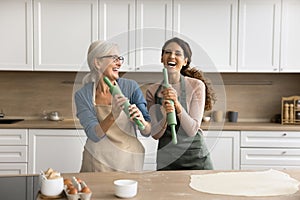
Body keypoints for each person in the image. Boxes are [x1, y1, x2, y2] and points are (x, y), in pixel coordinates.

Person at [75, 40, 151, 172]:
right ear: (97, 63)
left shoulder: (130, 87)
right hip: (97, 161)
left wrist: (143, 122)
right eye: (114, 58)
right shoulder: (83, 95)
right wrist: (113, 115)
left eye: (119, 58)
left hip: (129, 160)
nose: (119, 62)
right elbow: (93, 134)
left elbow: (148, 131)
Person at [146, 37, 216, 170]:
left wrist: (177, 105)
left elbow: (192, 130)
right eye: (167, 52)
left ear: (185, 61)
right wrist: (166, 115)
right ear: (162, 58)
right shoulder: (152, 91)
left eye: (178, 53)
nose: (171, 56)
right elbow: (155, 134)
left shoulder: (196, 85)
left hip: (195, 158)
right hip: (167, 159)